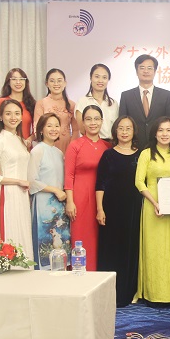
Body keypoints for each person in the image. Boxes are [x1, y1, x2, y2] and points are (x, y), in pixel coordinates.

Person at [135, 116, 170, 307]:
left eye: (168, 130)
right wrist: (155, 203)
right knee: (153, 250)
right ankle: (152, 294)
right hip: (152, 207)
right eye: (161, 130)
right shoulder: (146, 154)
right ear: (155, 133)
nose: (165, 134)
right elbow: (139, 182)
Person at [96, 116, 141, 307]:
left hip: (134, 209)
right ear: (115, 131)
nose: (124, 132)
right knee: (111, 249)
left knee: (130, 249)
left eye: (128, 128)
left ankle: (128, 291)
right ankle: (109, 293)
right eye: (121, 128)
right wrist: (100, 209)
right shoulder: (108, 155)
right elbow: (100, 184)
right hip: (112, 209)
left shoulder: (141, 155)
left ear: (134, 131)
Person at [0, 99, 33, 260]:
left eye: (17, 113)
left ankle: (24, 271)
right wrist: (17, 181)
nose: (13, 117)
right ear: (0, 117)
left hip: (22, 195)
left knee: (22, 233)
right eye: (8, 114)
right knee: (10, 235)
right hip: (8, 194)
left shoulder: (19, 140)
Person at [65, 105, 111, 271]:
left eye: (96, 119)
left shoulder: (107, 146)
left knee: (100, 238)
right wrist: (70, 201)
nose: (93, 123)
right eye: (89, 119)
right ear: (82, 122)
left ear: (102, 121)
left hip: (102, 199)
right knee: (81, 237)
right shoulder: (75, 145)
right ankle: (81, 275)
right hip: (80, 197)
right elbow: (69, 175)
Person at [28, 113, 70, 270]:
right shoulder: (37, 151)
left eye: (56, 125)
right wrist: (55, 190)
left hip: (59, 205)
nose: (54, 129)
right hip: (43, 204)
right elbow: (32, 181)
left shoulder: (59, 153)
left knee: (61, 244)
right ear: (41, 129)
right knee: (44, 244)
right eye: (49, 125)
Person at [119, 54, 170, 148]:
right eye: (142, 68)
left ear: (155, 71)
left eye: (149, 68)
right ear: (136, 71)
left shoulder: (166, 95)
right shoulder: (126, 96)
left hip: (159, 145)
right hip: (133, 145)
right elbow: (122, 122)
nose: (146, 71)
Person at [35, 68, 79, 153]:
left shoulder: (72, 105)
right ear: (47, 84)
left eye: (59, 81)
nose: (56, 84)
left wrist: (71, 148)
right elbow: (37, 127)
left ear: (65, 83)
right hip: (47, 145)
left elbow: (76, 130)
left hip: (66, 145)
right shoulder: (41, 103)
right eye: (52, 81)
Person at [75, 63, 119, 142]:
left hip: (111, 144)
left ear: (108, 80)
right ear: (91, 78)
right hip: (90, 143)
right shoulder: (83, 101)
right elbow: (82, 129)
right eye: (97, 76)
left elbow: (117, 127)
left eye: (104, 77)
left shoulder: (114, 103)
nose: (100, 81)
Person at [0, 68, 36, 141]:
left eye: (21, 79)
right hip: (6, 144)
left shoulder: (31, 103)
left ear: (26, 82)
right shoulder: (1, 102)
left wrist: (29, 140)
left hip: (25, 145)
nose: (18, 82)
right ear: (8, 82)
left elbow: (36, 129)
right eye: (14, 79)